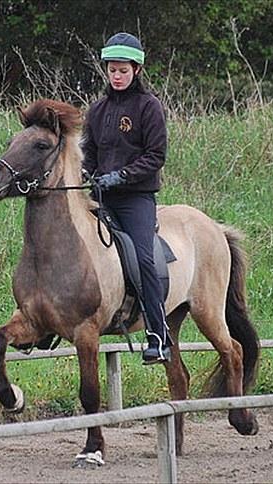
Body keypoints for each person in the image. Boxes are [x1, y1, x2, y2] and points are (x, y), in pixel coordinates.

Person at [81, 32, 171, 364]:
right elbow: (89, 153)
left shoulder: (149, 107)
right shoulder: (98, 109)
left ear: (136, 70)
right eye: (112, 70)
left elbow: (156, 155)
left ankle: (158, 334)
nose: (116, 76)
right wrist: (87, 173)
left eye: (122, 70)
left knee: (144, 258)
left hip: (135, 198)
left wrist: (122, 175)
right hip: (101, 196)